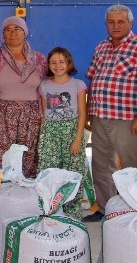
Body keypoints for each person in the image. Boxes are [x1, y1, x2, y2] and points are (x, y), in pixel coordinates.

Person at [83, 4, 137, 222]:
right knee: (100, 164)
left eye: (120, 22)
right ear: (106, 23)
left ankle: (134, 210)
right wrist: (89, 111)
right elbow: (93, 79)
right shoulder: (101, 47)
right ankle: (105, 208)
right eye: (111, 22)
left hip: (128, 119)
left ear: (130, 23)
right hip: (100, 116)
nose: (115, 26)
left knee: (131, 167)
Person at [0, 16, 47, 178]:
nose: (13, 33)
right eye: (7, 30)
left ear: (25, 33)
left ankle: (24, 200)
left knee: (28, 158)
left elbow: (49, 88)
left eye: (17, 29)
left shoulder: (39, 60)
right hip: (0, 118)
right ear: (2, 35)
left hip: (31, 118)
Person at [37, 47, 88, 220]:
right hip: (50, 132)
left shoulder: (77, 85)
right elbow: (45, 114)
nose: (57, 66)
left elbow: (82, 113)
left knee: (73, 171)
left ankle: (72, 213)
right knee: (48, 170)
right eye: (53, 62)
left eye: (61, 61)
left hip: (71, 131)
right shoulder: (44, 86)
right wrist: (42, 139)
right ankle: (50, 210)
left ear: (68, 63)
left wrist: (78, 139)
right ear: (48, 65)